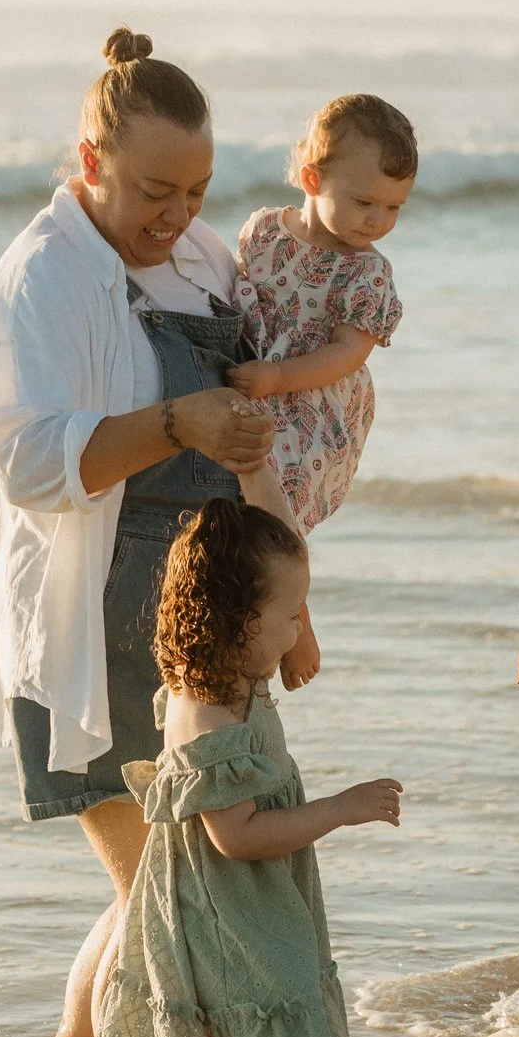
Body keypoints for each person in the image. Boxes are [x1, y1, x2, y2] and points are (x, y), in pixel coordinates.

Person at [0, 27, 278, 1037]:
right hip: (93, 621)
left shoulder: (203, 259)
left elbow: (263, 404)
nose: (177, 215)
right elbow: (31, 465)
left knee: (172, 889)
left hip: (204, 614)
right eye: (153, 189)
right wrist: (179, 423)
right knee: (171, 894)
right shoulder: (40, 277)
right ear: (90, 160)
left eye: (196, 190)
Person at [86, 500, 402, 1037]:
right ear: (241, 621)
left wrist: (283, 651)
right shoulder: (208, 712)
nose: (299, 628)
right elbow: (237, 836)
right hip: (234, 910)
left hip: (262, 901)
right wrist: (340, 807)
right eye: (292, 615)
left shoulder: (232, 681)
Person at [224, 94, 418, 685]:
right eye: (364, 202)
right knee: (234, 503)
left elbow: (347, 352)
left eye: (393, 208)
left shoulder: (366, 273)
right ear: (312, 178)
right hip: (258, 382)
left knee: (279, 507)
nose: (377, 222)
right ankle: (254, 615)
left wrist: (278, 377)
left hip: (317, 409)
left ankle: (297, 617)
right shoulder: (263, 232)